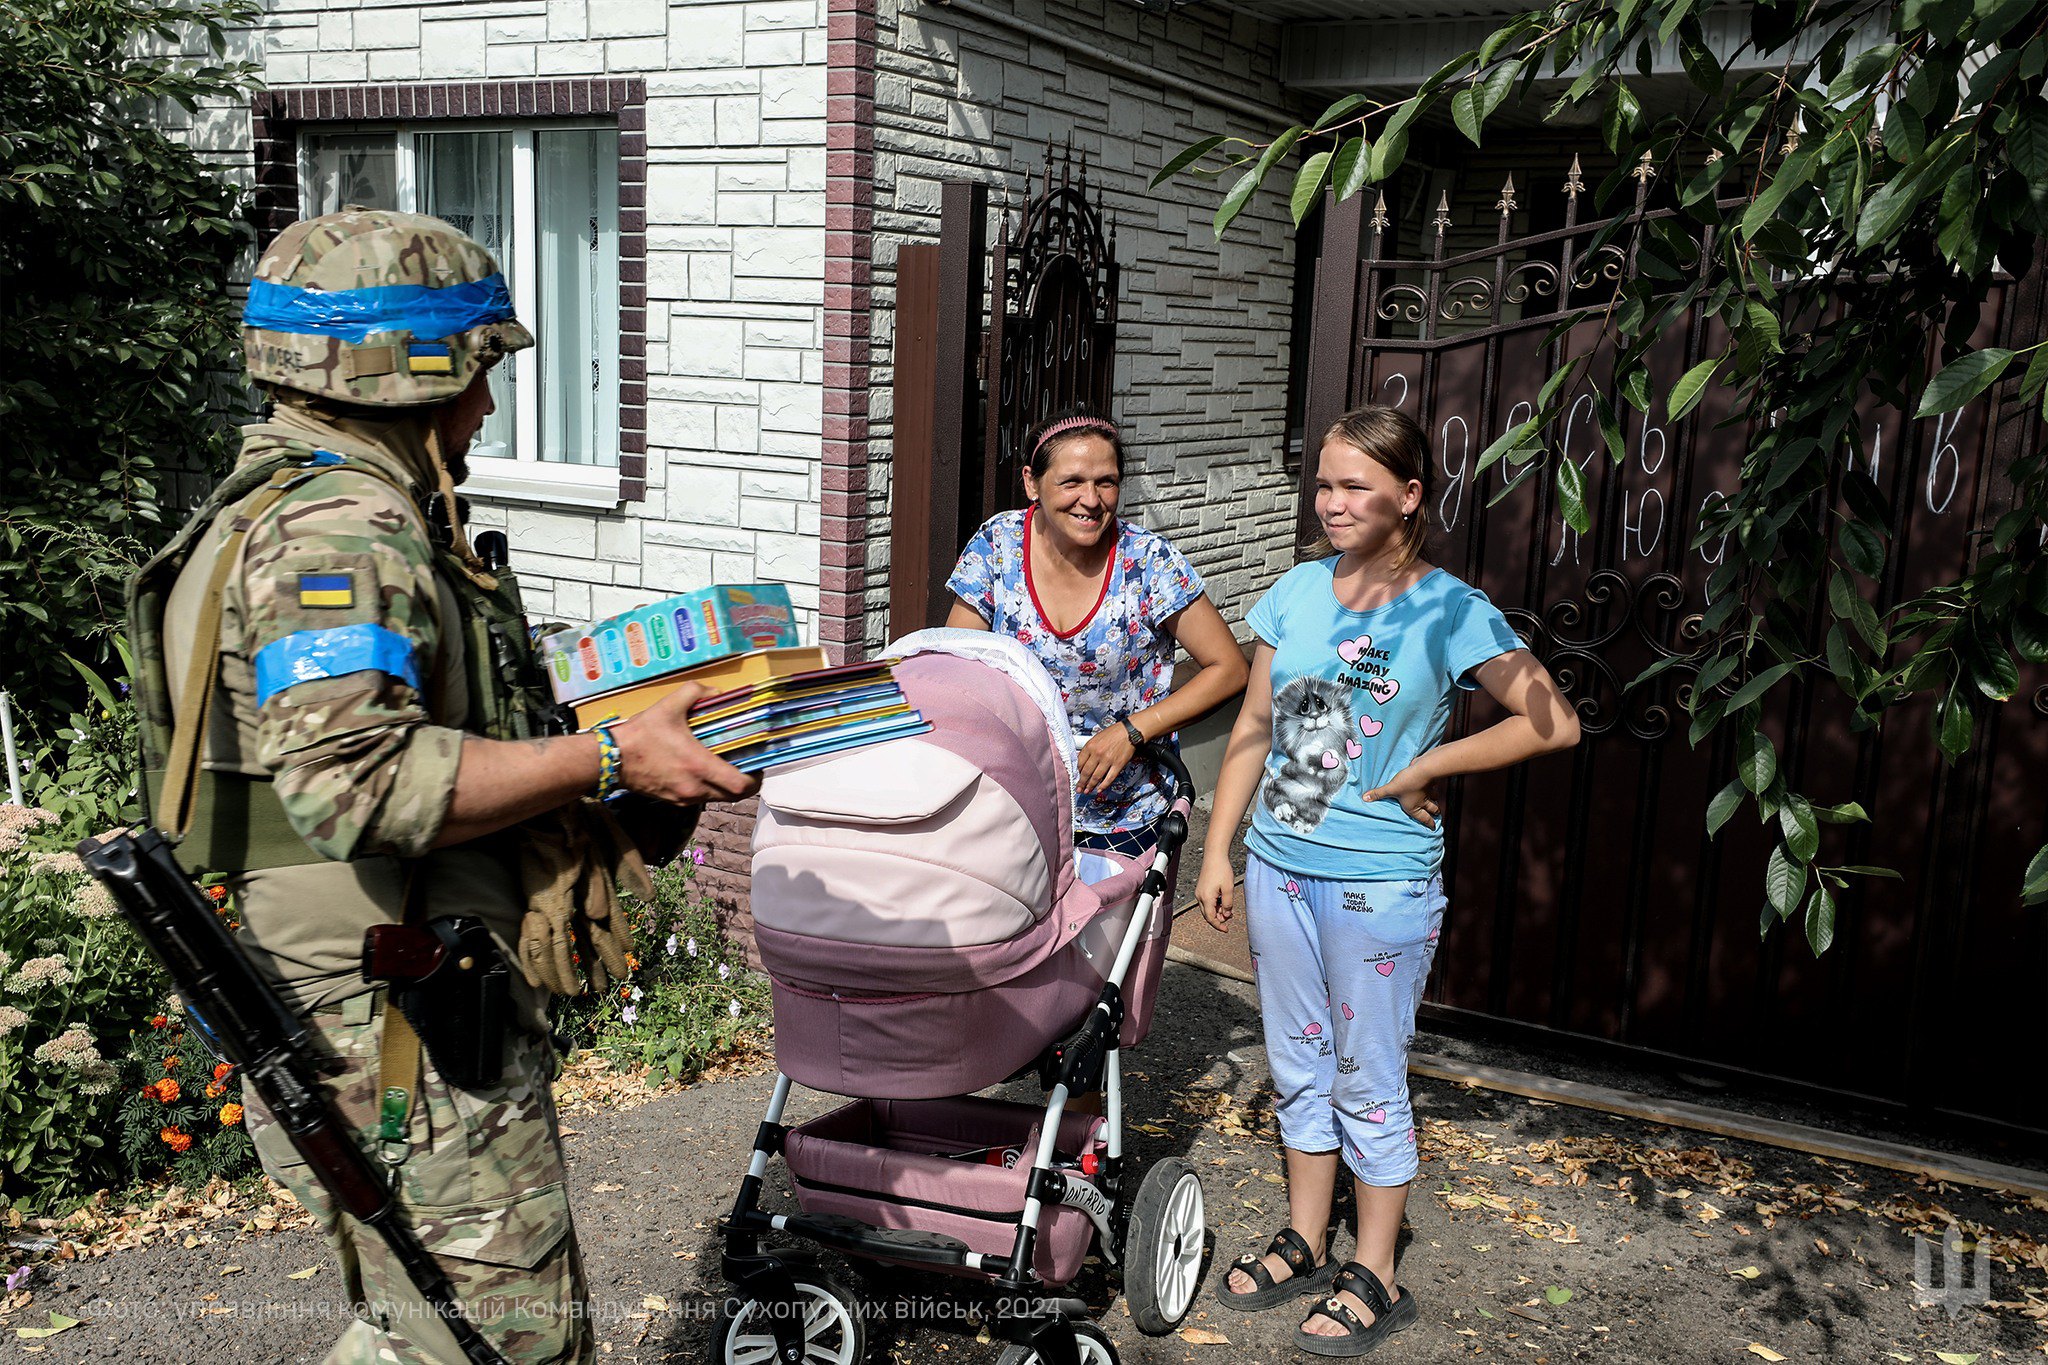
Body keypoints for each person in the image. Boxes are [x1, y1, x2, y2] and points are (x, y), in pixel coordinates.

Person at [141, 208, 755, 1363]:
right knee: (507, 1347)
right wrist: (614, 753)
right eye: (476, 375)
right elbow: (354, 788)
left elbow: (367, 781)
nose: (483, 408)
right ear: (406, 371)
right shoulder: (342, 534)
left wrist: (624, 810)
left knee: (416, 1334)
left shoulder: (285, 508)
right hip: (403, 1034)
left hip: (380, 1008)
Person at [1197, 405, 1580, 1356]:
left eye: (1353, 486)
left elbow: (1551, 720)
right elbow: (1256, 726)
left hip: (1380, 885)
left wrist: (1425, 769)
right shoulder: (1294, 593)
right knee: (1296, 1059)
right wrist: (1221, 846)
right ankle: (1305, 1233)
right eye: (1322, 484)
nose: (1330, 502)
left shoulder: (1448, 608)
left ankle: (1376, 1267)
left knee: (1368, 1074)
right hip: (1284, 866)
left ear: (1408, 496)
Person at [945, 404, 1247, 855]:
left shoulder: (1147, 562)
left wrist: (1133, 731)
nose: (1091, 499)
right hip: (1017, 803)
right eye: (1071, 482)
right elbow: (960, 664)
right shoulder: (998, 544)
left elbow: (1229, 668)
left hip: (1128, 814)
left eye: (1106, 482)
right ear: (1032, 483)